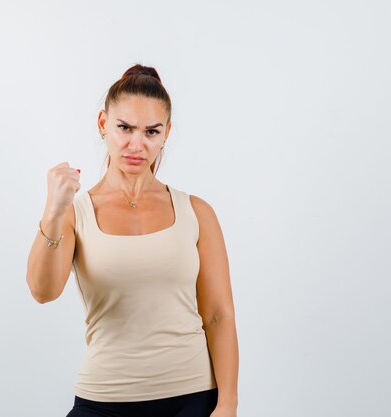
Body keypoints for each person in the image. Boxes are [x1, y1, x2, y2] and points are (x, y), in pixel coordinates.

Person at [26, 64, 239, 417]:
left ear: (166, 133)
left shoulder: (196, 212)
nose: (136, 145)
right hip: (104, 400)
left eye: (151, 132)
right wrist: (52, 211)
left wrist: (228, 404)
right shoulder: (74, 213)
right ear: (103, 124)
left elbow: (218, 315)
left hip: (192, 397)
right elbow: (42, 291)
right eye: (124, 128)